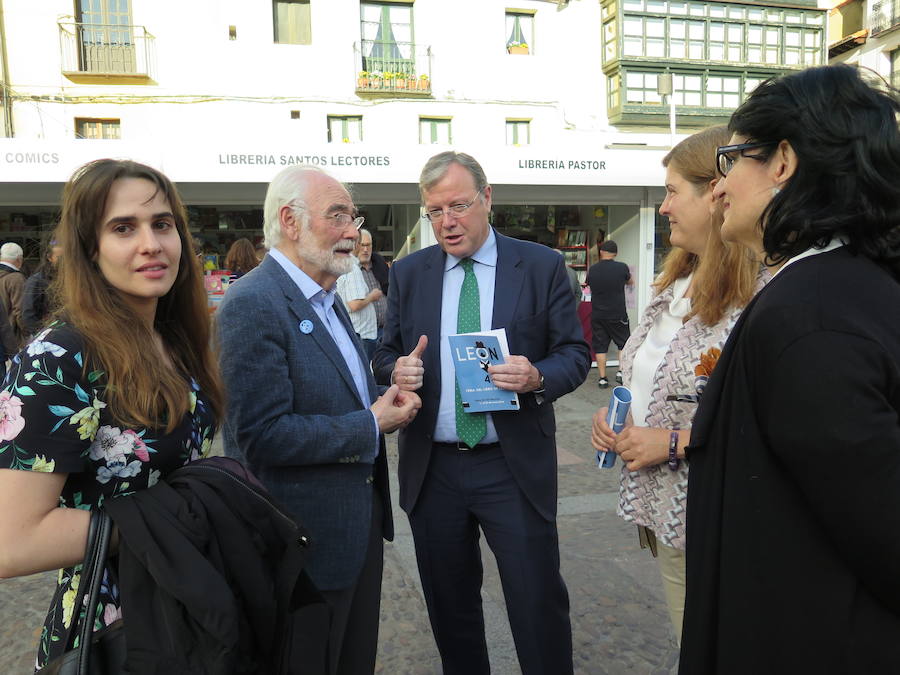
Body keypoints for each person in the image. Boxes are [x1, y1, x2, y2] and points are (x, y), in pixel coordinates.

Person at [679, 64, 900, 673]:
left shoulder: (811, 314)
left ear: (783, 162)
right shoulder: (830, 289)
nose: (718, 189)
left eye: (731, 161)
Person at [0, 159, 223, 671]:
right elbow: (11, 541)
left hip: (186, 603)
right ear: (89, 249)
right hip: (113, 630)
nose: (151, 243)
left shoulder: (171, 337)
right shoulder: (59, 355)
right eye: (124, 228)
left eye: (162, 224)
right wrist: (171, 519)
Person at [373, 151, 590, 675]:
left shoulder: (539, 266)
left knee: (536, 601)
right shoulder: (409, 272)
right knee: (451, 608)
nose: (446, 222)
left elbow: (575, 354)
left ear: (487, 199)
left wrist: (537, 376)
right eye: (434, 211)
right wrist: (397, 370)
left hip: (510, 466)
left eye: (458, 206)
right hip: (435, 467)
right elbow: (383, 353)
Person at [216, 164, 420, 675]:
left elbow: (338, 394)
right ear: (290, 221)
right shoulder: (252, 304)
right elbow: (259, 437)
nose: (354, 231)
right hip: (301, 551)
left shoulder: (326, 298)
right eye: (339, 216)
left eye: (354, 216)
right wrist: (371, 424)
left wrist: (384, 395)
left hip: (355, 535)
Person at [589, 126, 764, 644]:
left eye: (671, 191)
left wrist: (671, 442)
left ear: (716, 192)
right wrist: (617, 421)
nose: (663, 208)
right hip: (668, 515)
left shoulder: (762, 291)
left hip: (720, 520)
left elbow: (772, 422)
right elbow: (651, 378)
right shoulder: (675, 283)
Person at [586, 239, 633, 388]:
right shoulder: (622, 267)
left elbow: (588, 285)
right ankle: (620, 372)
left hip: (598, 314)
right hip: (618, 313)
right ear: (616, 253)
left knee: (600, 346)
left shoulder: (593, 269)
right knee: (623, 344)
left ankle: (602, 378)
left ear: (601, 252)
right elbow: (631, 282)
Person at [336, 229, 382, 361]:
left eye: (369, 245)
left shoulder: (347, 265)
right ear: (355, 244)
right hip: (362, 335)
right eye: (362, 244)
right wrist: (372, 297)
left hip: (362, 334)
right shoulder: (352, 268)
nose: (365, 249)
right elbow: (354, 304)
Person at [21, 233, 62, 337]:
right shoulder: (36, 281)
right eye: (60, 258)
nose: (64, 262)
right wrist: (42, 336)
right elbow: (28, 314)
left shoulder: (73, 279)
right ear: (49, 257)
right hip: (46, 337)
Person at [0, 241, 26, 346]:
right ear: (19, 259)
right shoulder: (16, 278)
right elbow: (20, 311)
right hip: (11, 340)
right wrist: (29, 334)